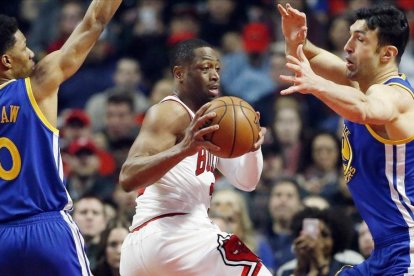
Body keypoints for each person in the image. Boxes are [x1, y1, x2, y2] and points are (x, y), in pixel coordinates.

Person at [278, 3, 414, 275]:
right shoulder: (356, 85)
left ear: (387, 53)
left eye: (360, 39)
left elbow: (366, 108)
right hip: (385, 252)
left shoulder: (396, 96)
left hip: (408, 250)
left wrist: (317, 85)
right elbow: (304, 57)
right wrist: (295, 39)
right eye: (350, 35)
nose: (347, 45)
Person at [119, 38, 272, 275]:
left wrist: (252, 149)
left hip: (148, 250)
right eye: (205, 68)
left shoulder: (213, 122)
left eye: (217, 69)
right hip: (173, 232)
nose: (215, 75)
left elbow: (247, 182)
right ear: (179, 73)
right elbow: (128, 177)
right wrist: (183, 149)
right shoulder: (169, 112)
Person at [0, 1, 121, 275]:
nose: (31, 53)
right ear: (6, 61)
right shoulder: (37, 87)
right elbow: (93, 23)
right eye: (23, 48)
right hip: (46, 228)